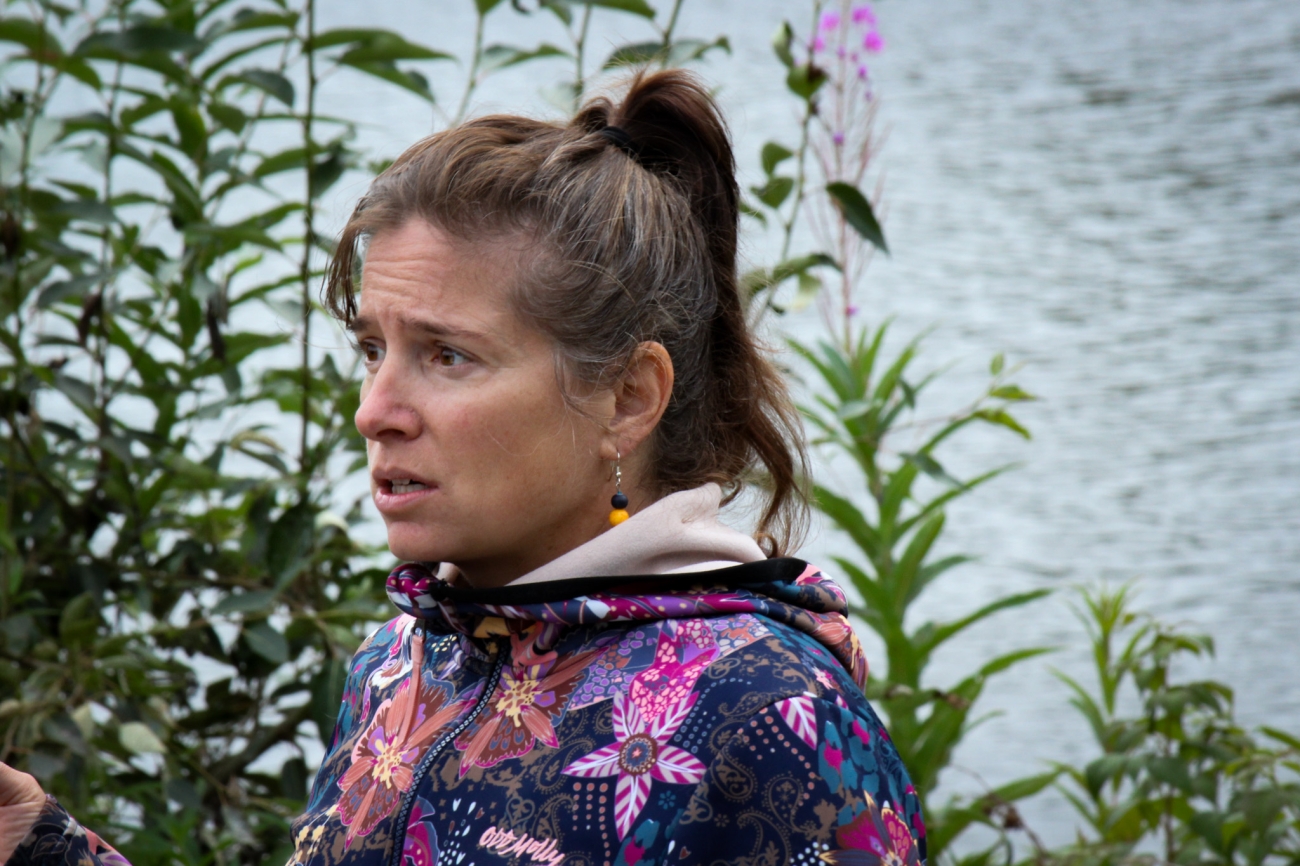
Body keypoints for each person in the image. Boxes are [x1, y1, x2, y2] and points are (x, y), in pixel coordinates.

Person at [0, 70, 926, 866]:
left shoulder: (770, 721)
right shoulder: (399, 664)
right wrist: (38, 843)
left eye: (448, 355)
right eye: (373, 349)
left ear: (627, 398)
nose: (374, 411)